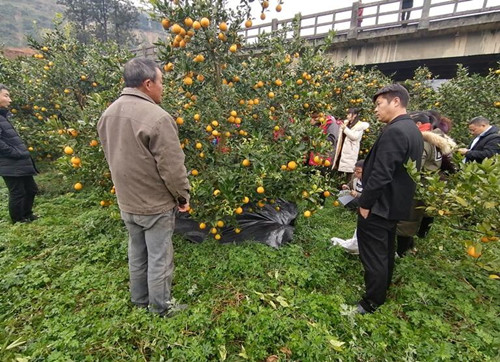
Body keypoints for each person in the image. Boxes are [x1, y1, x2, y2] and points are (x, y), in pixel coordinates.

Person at [97, 58, 191, 317]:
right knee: (159, 257)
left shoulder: (108, 113)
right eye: (161, 82)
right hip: (154, 204)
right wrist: (182, 197)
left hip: (127, 201)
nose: (163, 88)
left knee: (137, 251)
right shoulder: (158, 118)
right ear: (148, 84)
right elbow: (172, 168)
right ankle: (161, 309)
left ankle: (139, 300)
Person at [355, 84, 423, 314]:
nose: (375, 110)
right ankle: (381, 291)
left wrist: (365, 203)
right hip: (395, 205)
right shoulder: (411, 129)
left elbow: (381, 174)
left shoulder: (395, 131)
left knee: (373, 253)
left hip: (380, 206)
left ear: (395, 102)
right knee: (385, 251)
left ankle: (371, 301)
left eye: (379, 104)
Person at [396, 111, 456, 256]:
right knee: (420, 215)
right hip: (431, 183)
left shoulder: (423, 141)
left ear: (418, 125)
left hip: (419, 184)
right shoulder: (439, 139)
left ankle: (402, 252)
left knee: (407, 219)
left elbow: (415, 167)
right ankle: (412, 244)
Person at [0, 84, 39, 224]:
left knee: (31, 189)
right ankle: (18, 220)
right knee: (18, 192)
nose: (9, 100)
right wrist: (15, 152)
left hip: (18, 160)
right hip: (10, 162)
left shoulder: (3, 116)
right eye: (6, 95)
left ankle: (27, 214)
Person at [333, 108, 369, 181]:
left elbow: (354, 137)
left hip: (350, 151)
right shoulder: (346, 123)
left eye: (349, 114)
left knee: (349, 171)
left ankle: (348, 187)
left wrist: (345, 129)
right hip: (342, 149)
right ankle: (339, 186)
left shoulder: (359, 126)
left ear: (354, 115)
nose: (347, 116)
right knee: (340, 170)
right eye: (347, 114)